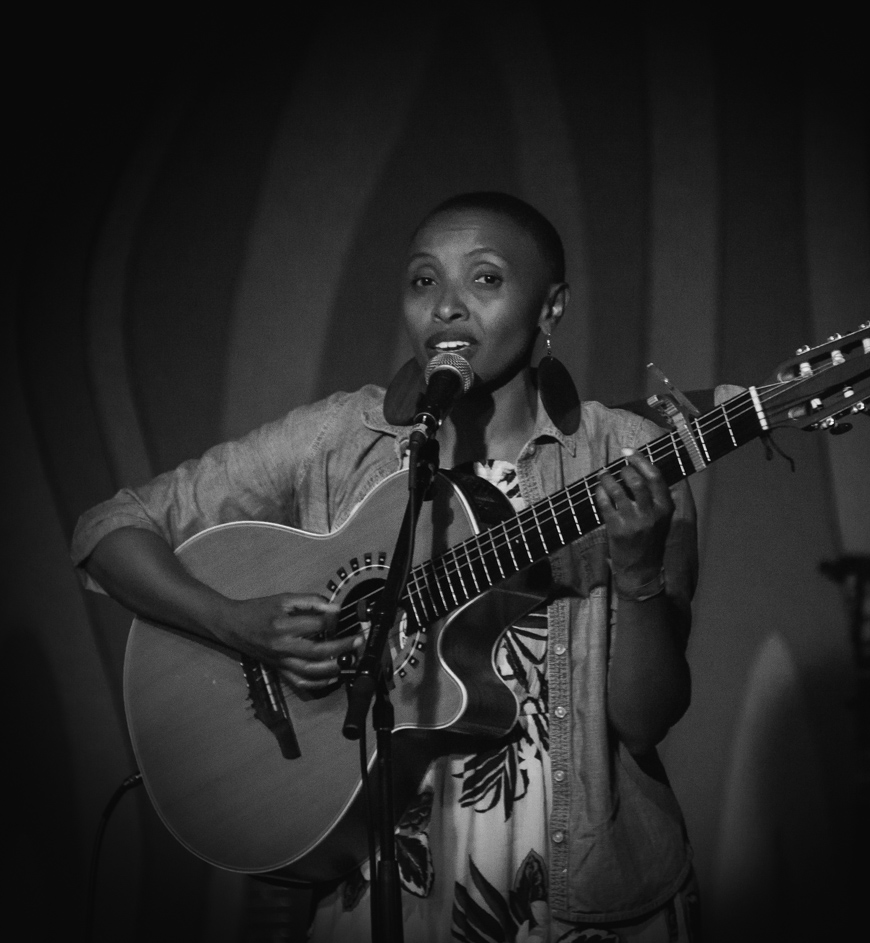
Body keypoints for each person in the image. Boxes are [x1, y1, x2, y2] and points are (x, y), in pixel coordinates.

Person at [71, 191, 701, 941]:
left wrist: (636, 575)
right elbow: (108, 529)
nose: (447, 308)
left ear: (551, 308)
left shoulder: (623, 456)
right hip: (376, 887)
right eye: (424, 281)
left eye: (487, 280)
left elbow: (645, 718)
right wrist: (238, 624)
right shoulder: (341, 437)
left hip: (580, 893)